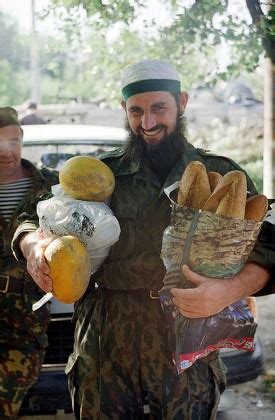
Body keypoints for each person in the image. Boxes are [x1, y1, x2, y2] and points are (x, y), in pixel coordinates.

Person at [12, 60, 275, 419]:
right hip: (106, 341)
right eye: (136, 111)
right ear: (124, 109)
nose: (147, 124)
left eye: (159, 108)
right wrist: (33, 247)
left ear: (181, 102)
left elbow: (269, 244)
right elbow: (33, 216)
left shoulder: (223, 175)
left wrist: (229, 290)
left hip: (187, 339)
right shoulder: (99, 175)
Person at [0, 107, 58, 417]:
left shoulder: (51, 186)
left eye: (12, 141)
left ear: (21, 139)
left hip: (25, 319)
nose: (5, 152)